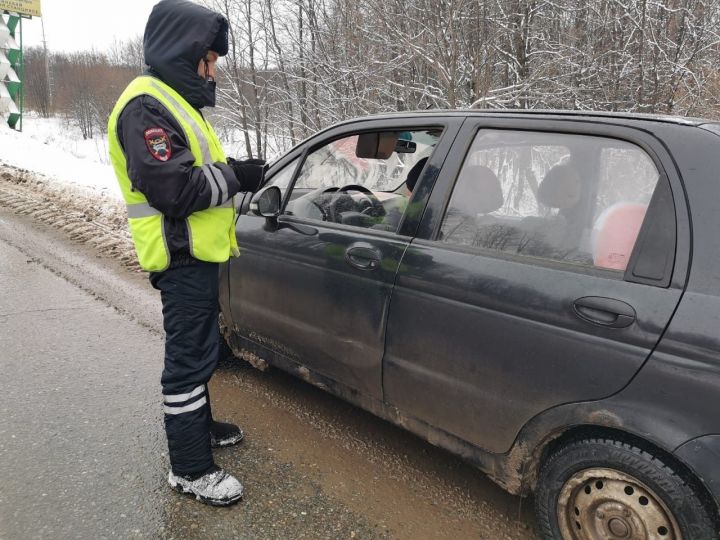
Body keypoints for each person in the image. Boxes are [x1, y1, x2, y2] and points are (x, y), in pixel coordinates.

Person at [107, 0, 265, 506]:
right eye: (209, 61)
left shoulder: (169, 100)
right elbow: (174, 190)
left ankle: (201, 426)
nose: (213, 70)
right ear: (184, 52)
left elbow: (192, 171)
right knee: (186, 362)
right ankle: (191, 468)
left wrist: (234, 171)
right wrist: (238, 175)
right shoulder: (145, 106)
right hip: (180, 257)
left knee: (200, 352)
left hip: (197, 253)